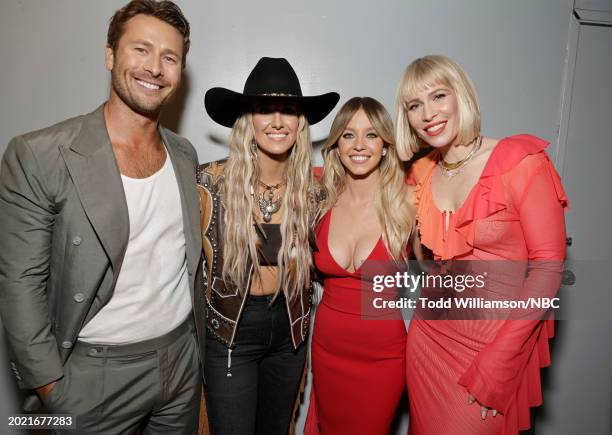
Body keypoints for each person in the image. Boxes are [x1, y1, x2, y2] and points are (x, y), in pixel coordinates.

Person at [0, 1, 205, 433]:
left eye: (170, 58)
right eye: (141, 50)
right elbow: (19, 283)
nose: (155, 68)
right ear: (110, 55)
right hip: (93, 375)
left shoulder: (184, 155)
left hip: (181, 363)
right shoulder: (40, 154)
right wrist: (51, 387)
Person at [396, 55, 568, 434]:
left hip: (492, 348)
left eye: (438, 96)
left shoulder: (520, 161)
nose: (428, 113)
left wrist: (501, 361)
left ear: (461, 95)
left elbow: (548, 266)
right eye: (414, 105)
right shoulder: (421, 173)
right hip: (427, 342)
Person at [197, 57, 339, 435]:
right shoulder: (209, 184)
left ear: (300, 122)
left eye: (288, 111)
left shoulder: (314, 194)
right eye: (265, 109)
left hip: (289, 333)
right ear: (248, 119)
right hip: (231, 330)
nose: (277, 121)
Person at [304, 97, 413, 435]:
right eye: (349, 135)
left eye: (371, 135)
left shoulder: (408, 201)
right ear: (336, 145)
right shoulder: (321, 198)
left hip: (382, 358)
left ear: (385, 146)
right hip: (327, 349)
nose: (359, 146)